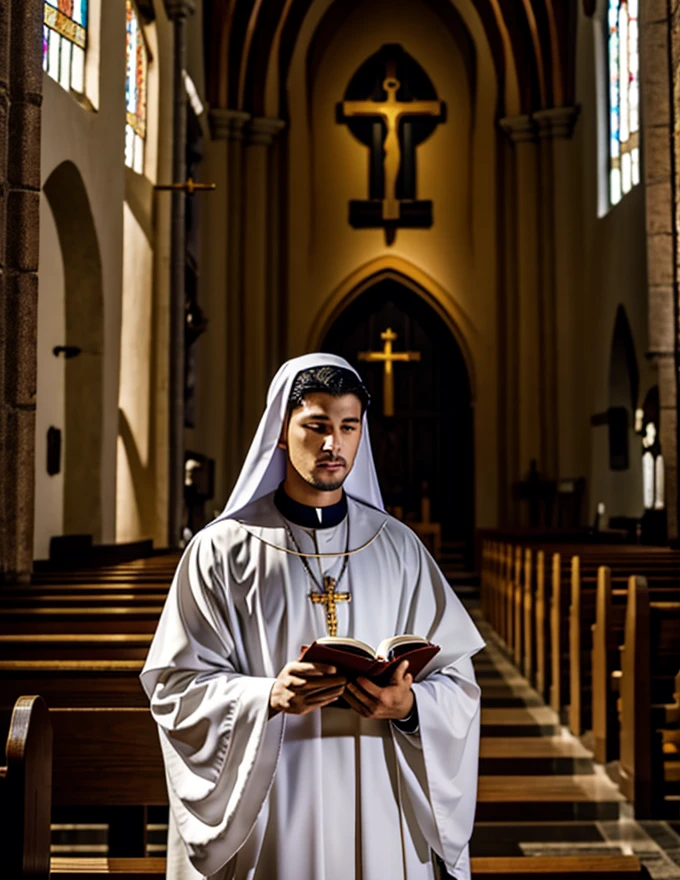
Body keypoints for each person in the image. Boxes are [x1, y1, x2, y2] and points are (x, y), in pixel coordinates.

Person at [141, 353, 484, 880]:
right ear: (281, 432)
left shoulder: (398, 547)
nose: (333, 444)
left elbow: (457, 682)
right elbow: (175, 688)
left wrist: (410, 705)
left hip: (378, 789)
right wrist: (267, 697)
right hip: (274, 798)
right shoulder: (221, 550)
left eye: (348, 427)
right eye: (317, 426)